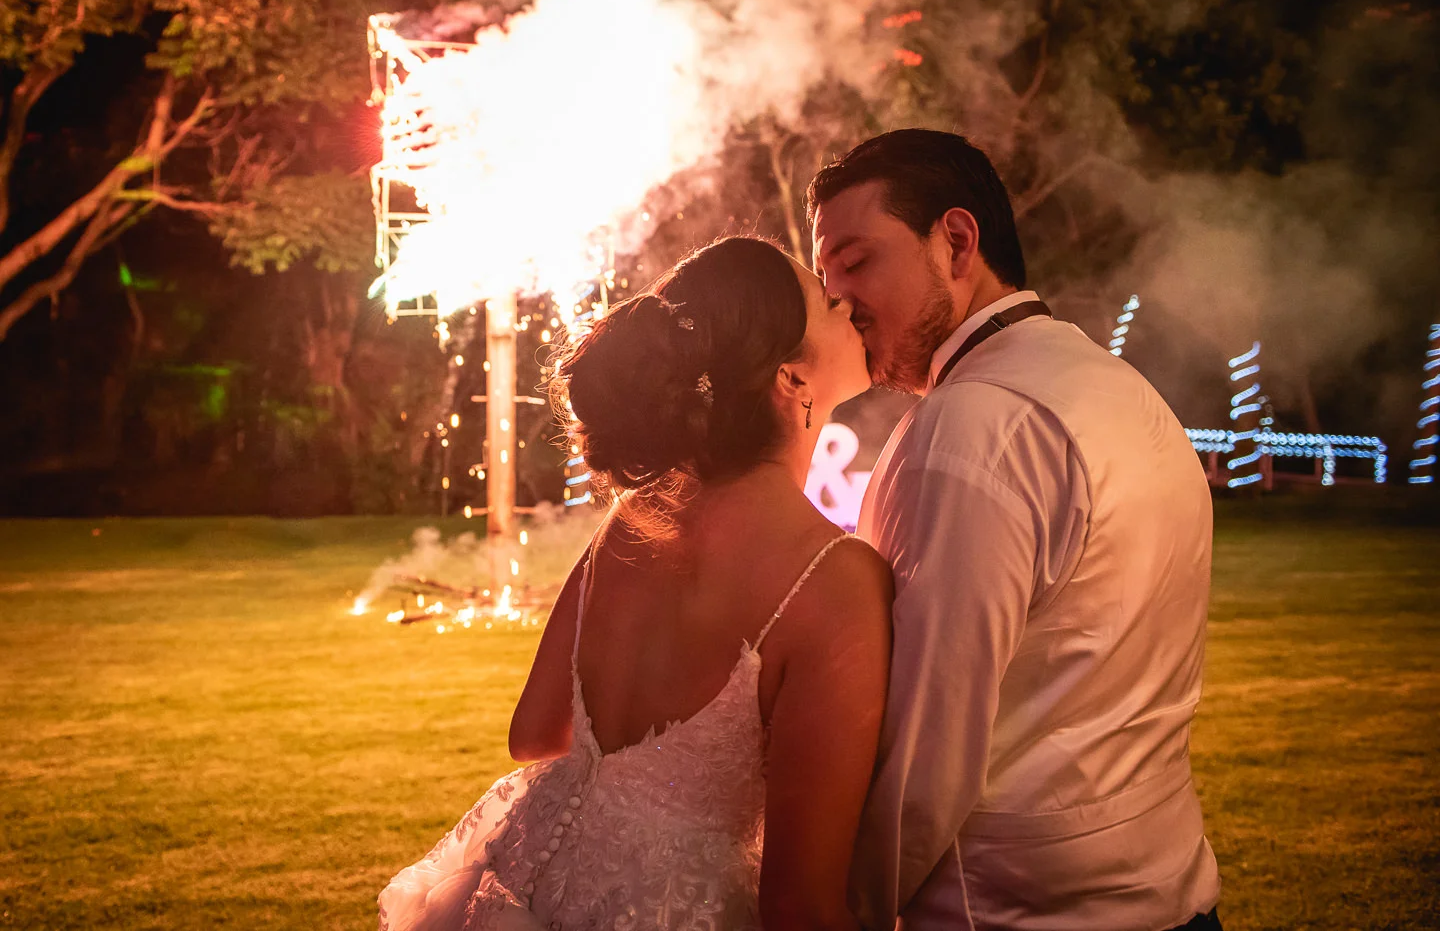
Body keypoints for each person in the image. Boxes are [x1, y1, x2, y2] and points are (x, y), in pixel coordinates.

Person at [377, 236, 894, 931]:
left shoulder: (633, 515)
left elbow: (534, 732)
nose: (850, 304)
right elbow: (801, 906)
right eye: (830, 303)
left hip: (527, 876)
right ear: (791, 379)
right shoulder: (831, 578)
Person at [807, 129, 1222, 931]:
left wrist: (844, 910)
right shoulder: (1121, 388)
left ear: (957, 241)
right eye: (828, 281)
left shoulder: (969, 428)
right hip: (1168, 886)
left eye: (856, 262)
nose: (841, 301)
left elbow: (925, 752)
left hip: (1008, 907)